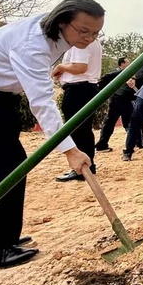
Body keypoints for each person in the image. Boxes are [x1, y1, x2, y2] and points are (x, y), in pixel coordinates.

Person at [0, 0, 100, 268]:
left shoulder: (55, 31)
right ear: (63, 21)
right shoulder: (32, 45)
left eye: (96, 33)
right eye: (83, 31)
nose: (89, 38)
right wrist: (70, 151)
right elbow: (41, 102)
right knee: (9, 163)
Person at [53, 38, 103, 182]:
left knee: (77, 129)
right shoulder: (93, 41)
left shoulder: (81, 41)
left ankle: (82, 169)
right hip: (85, 88)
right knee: (83, 130)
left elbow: (80, 67)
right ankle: (87, 166)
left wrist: (61, 67)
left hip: (78, 90)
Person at [95, 57, 138, 152]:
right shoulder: (119, 73)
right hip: (117, 100)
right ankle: (102, 144)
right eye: (127, 62)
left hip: (124, 100)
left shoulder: (129, 74)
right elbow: (105, 78)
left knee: (129, 121)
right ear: (122, 64)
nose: (130, 64)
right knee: (111, 122)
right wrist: (102, 90)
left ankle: (136, 142)